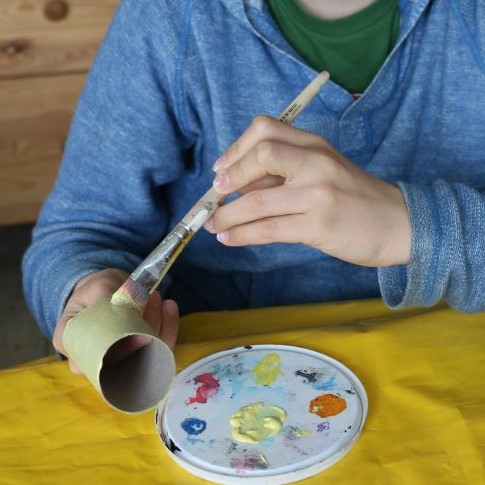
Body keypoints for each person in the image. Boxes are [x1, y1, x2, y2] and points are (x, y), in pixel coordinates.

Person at [22, 0, 485, 373]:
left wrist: (412, 227)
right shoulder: (170, 16)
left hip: (449, 358)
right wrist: (87, 284)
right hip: (216, 367)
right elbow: (79, 230)